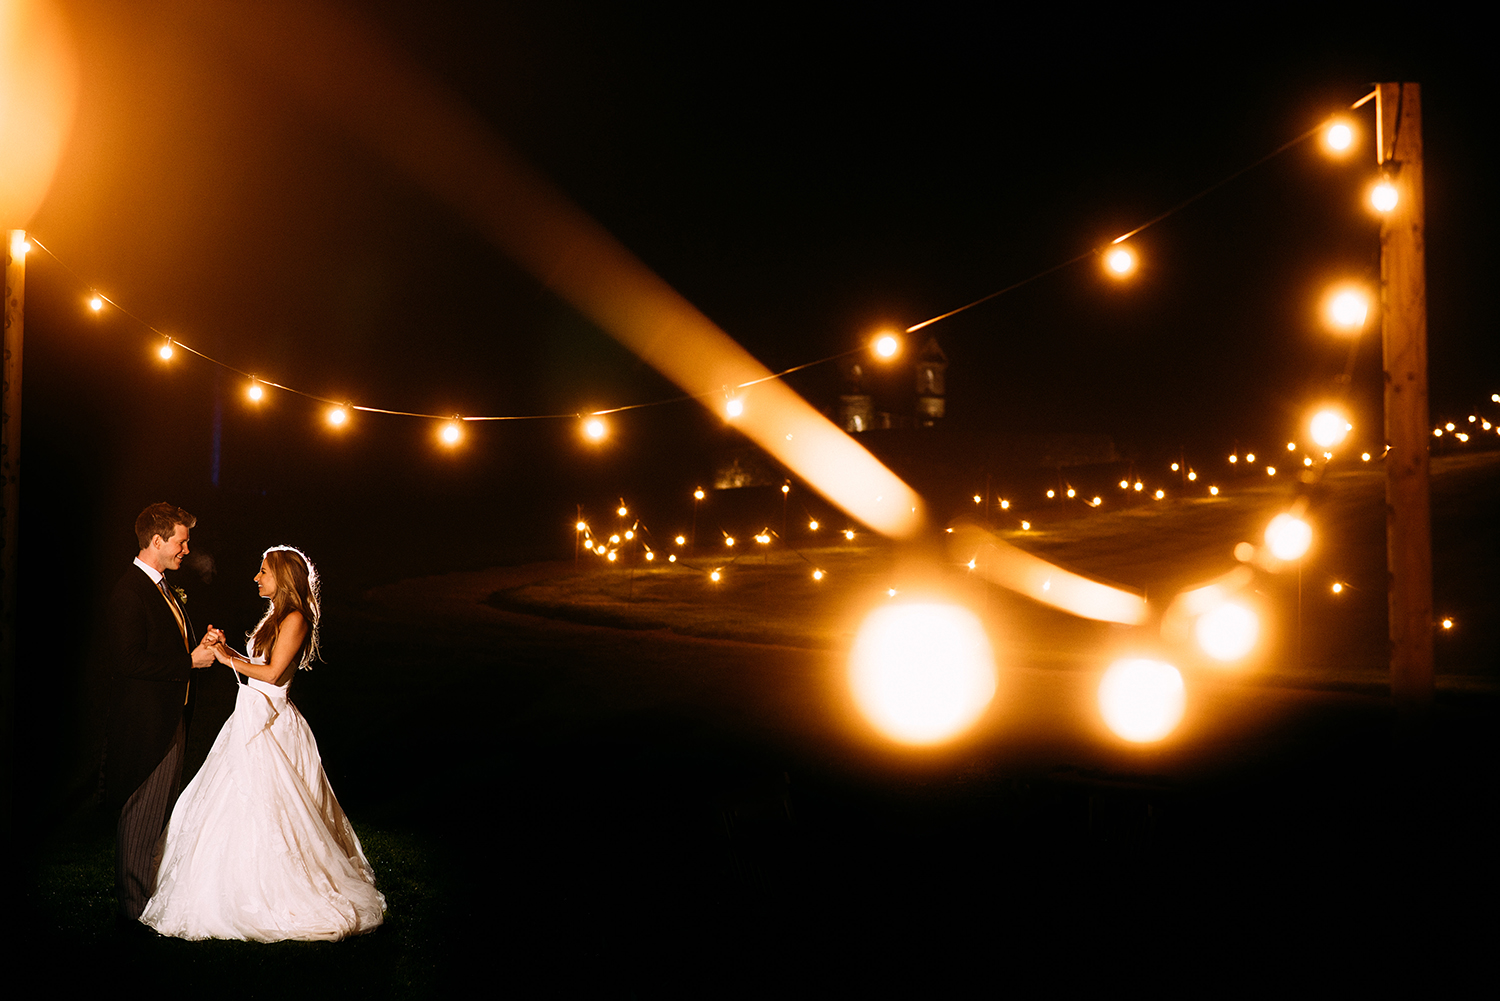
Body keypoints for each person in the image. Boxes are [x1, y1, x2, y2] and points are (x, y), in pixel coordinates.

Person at [139, 545, 385, 941]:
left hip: (272, 724)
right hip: (249, 716)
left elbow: (271, 675)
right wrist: (225, 649)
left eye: (264, 572)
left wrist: (225, 662)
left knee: (271, 804)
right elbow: (259, 667)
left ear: (283, 578)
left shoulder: (296, 618)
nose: (256, 578)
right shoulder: (276, 616)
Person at [105, 502, 224, 926]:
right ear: (157, 542)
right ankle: (134, 910)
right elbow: (127, 662)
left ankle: (150, 901)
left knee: (158, 814)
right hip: (146, 725)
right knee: (140, 813)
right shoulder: (129, 591)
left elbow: (171, 649)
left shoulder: (162, 588)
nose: (186, 550)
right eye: (181, 541)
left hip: (171, 718)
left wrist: (200, 647)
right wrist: (188, 663)